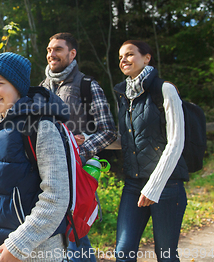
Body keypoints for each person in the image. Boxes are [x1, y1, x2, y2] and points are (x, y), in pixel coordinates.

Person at [0, 52, 71, 262]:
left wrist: (19, 244)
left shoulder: (41, 127)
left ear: (17, 86)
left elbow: (56, 196)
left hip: (37, 252)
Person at [41, 32, 117, 261]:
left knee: (75, 236)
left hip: (76, 176)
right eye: (49, 50)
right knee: (55, 238)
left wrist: (78, 150)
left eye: (58, 49)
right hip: (45, 176)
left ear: (72, 54)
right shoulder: (41, 89)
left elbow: (108, 131)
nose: (51, 54)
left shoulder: (87, 85)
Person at [114, 40, 187, 262]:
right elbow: (128, 138)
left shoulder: (165, 89)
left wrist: (154, 187)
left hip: (167, 185)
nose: (123, 60)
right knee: (123, 254)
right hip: (134, 184)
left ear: (147, 58)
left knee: (165, 255)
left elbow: (176, 141)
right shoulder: (124, 95)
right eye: (120, 57)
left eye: (129, 54)